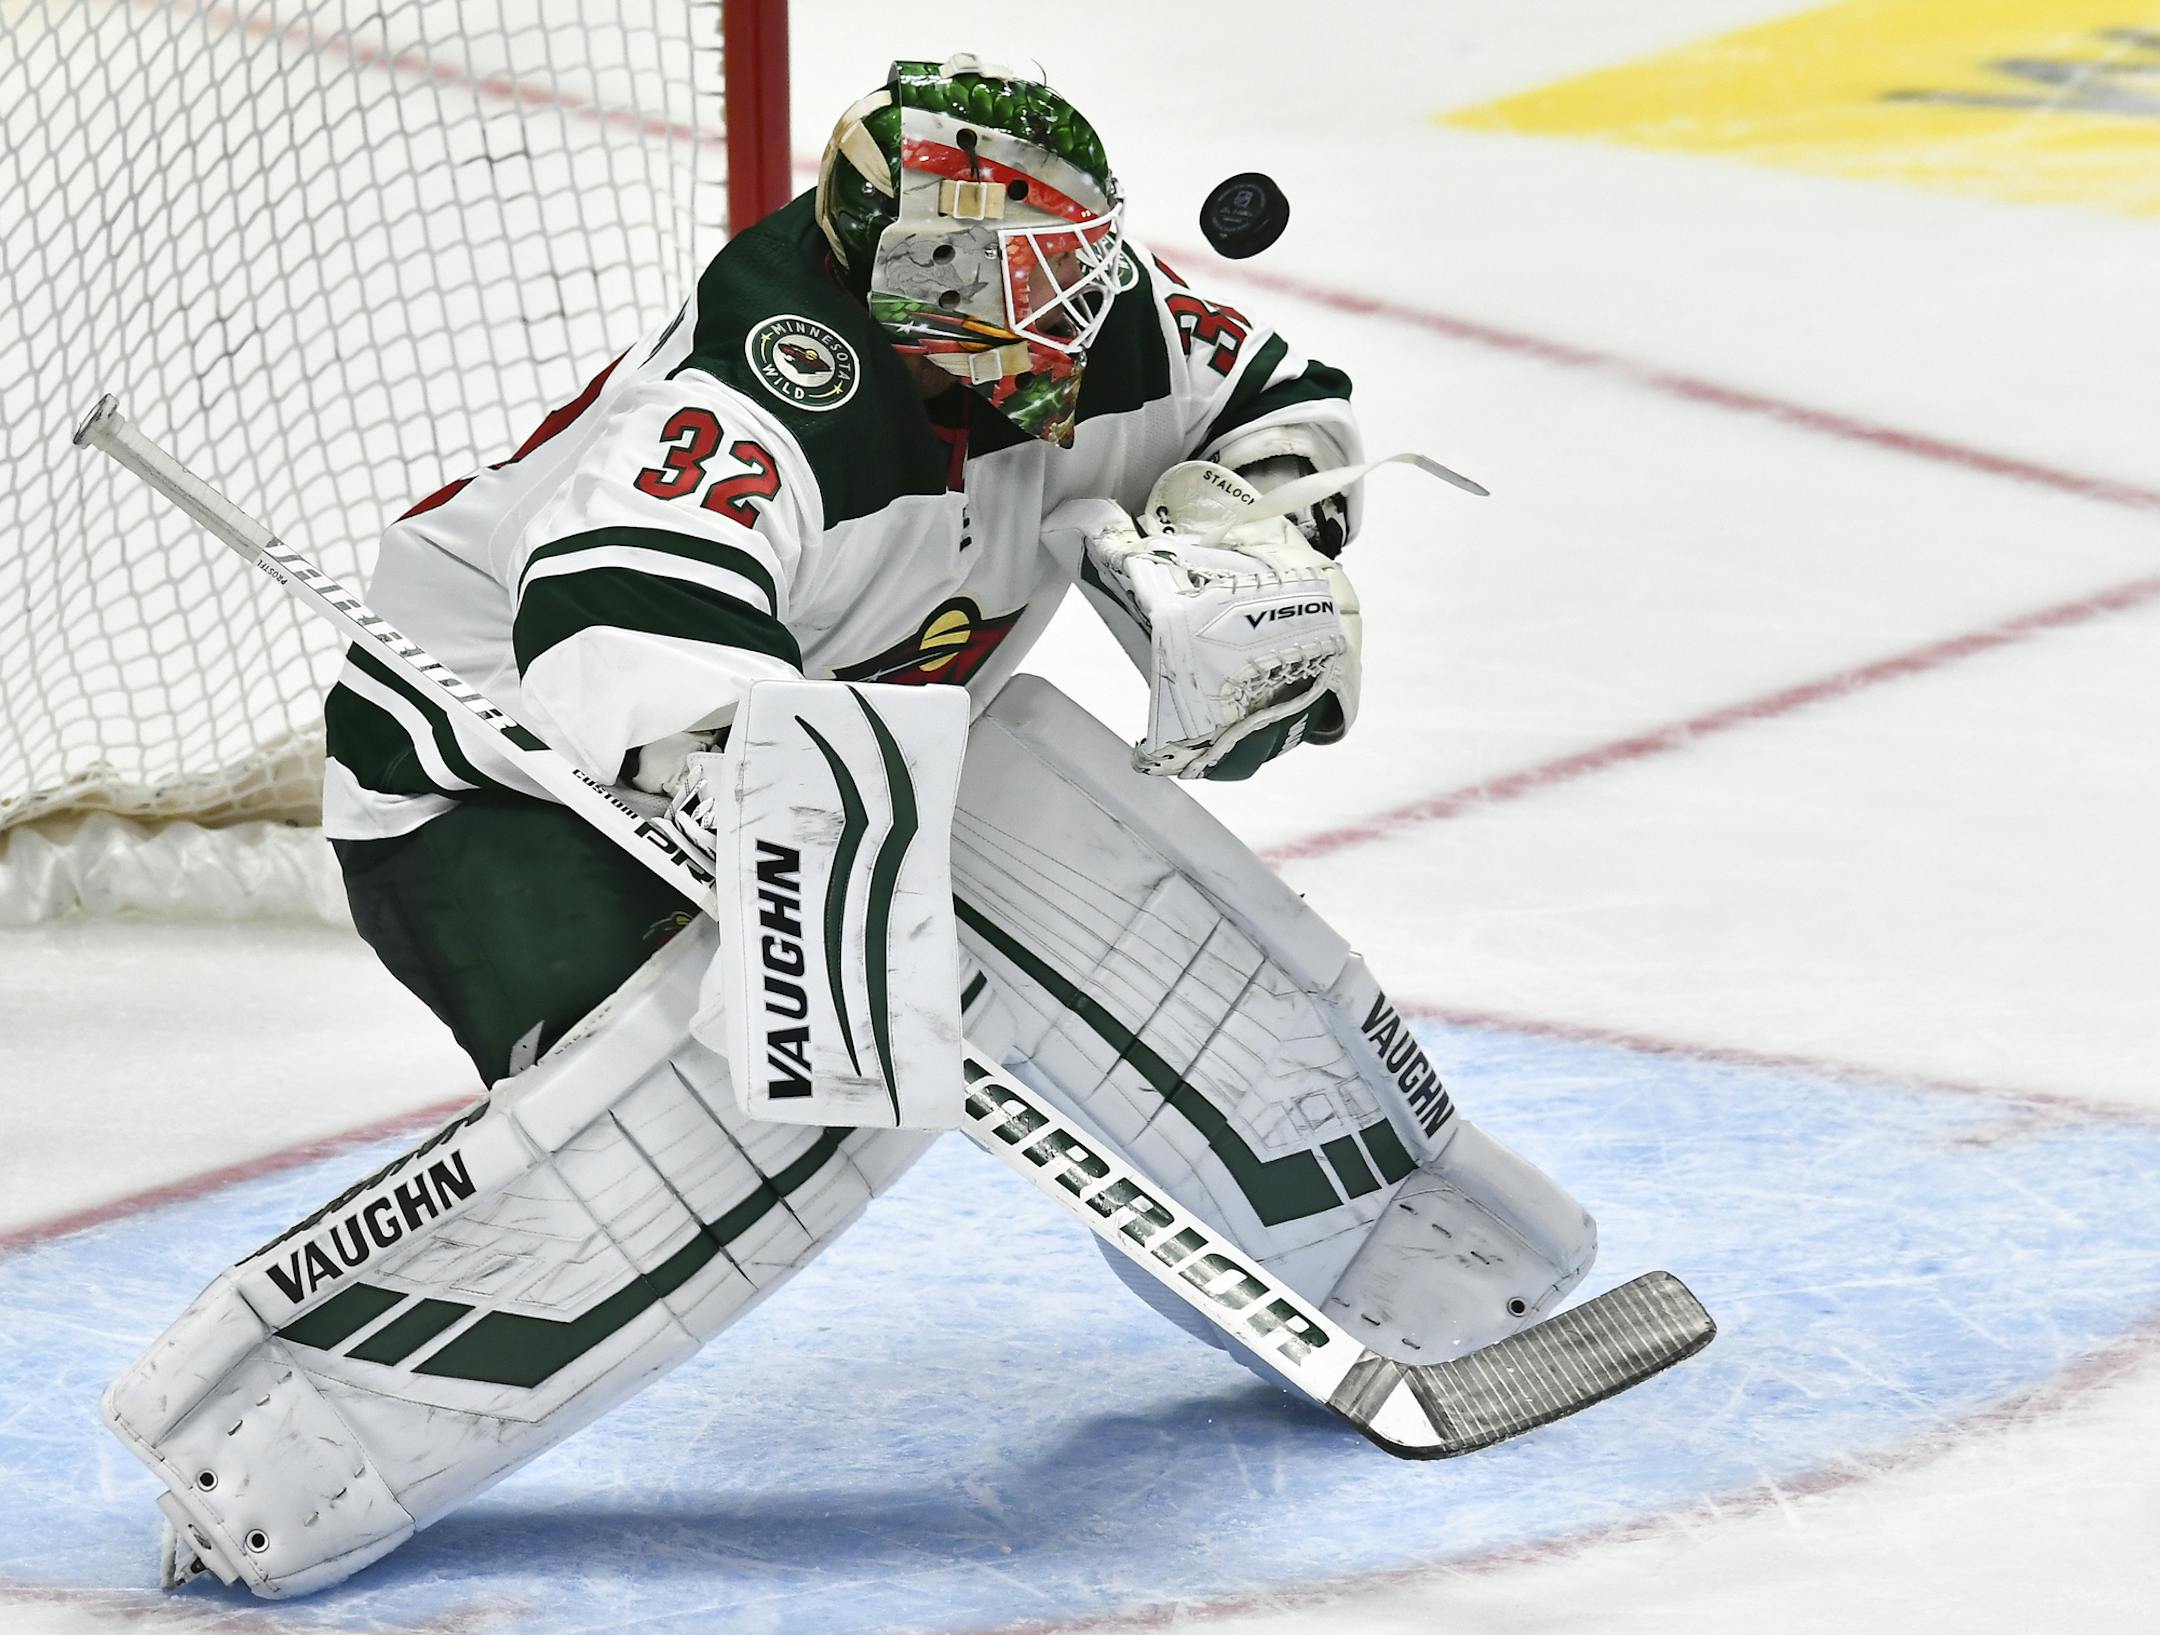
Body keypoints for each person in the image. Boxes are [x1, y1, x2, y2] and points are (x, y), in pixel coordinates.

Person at [103, 56, 1596, 1599]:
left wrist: (1253, 523)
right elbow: (607, 626)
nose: (1081, 311)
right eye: (1032, 277)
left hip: (849, 738)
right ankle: (274, 1445)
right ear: (919, 278)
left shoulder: (1099, 323)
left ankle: (1406, 1254)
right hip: (505, 796)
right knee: (770, 1091)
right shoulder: (768, 391)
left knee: (1065, 868)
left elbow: (1287, 406)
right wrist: (794, 839)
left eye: (1085, 261)